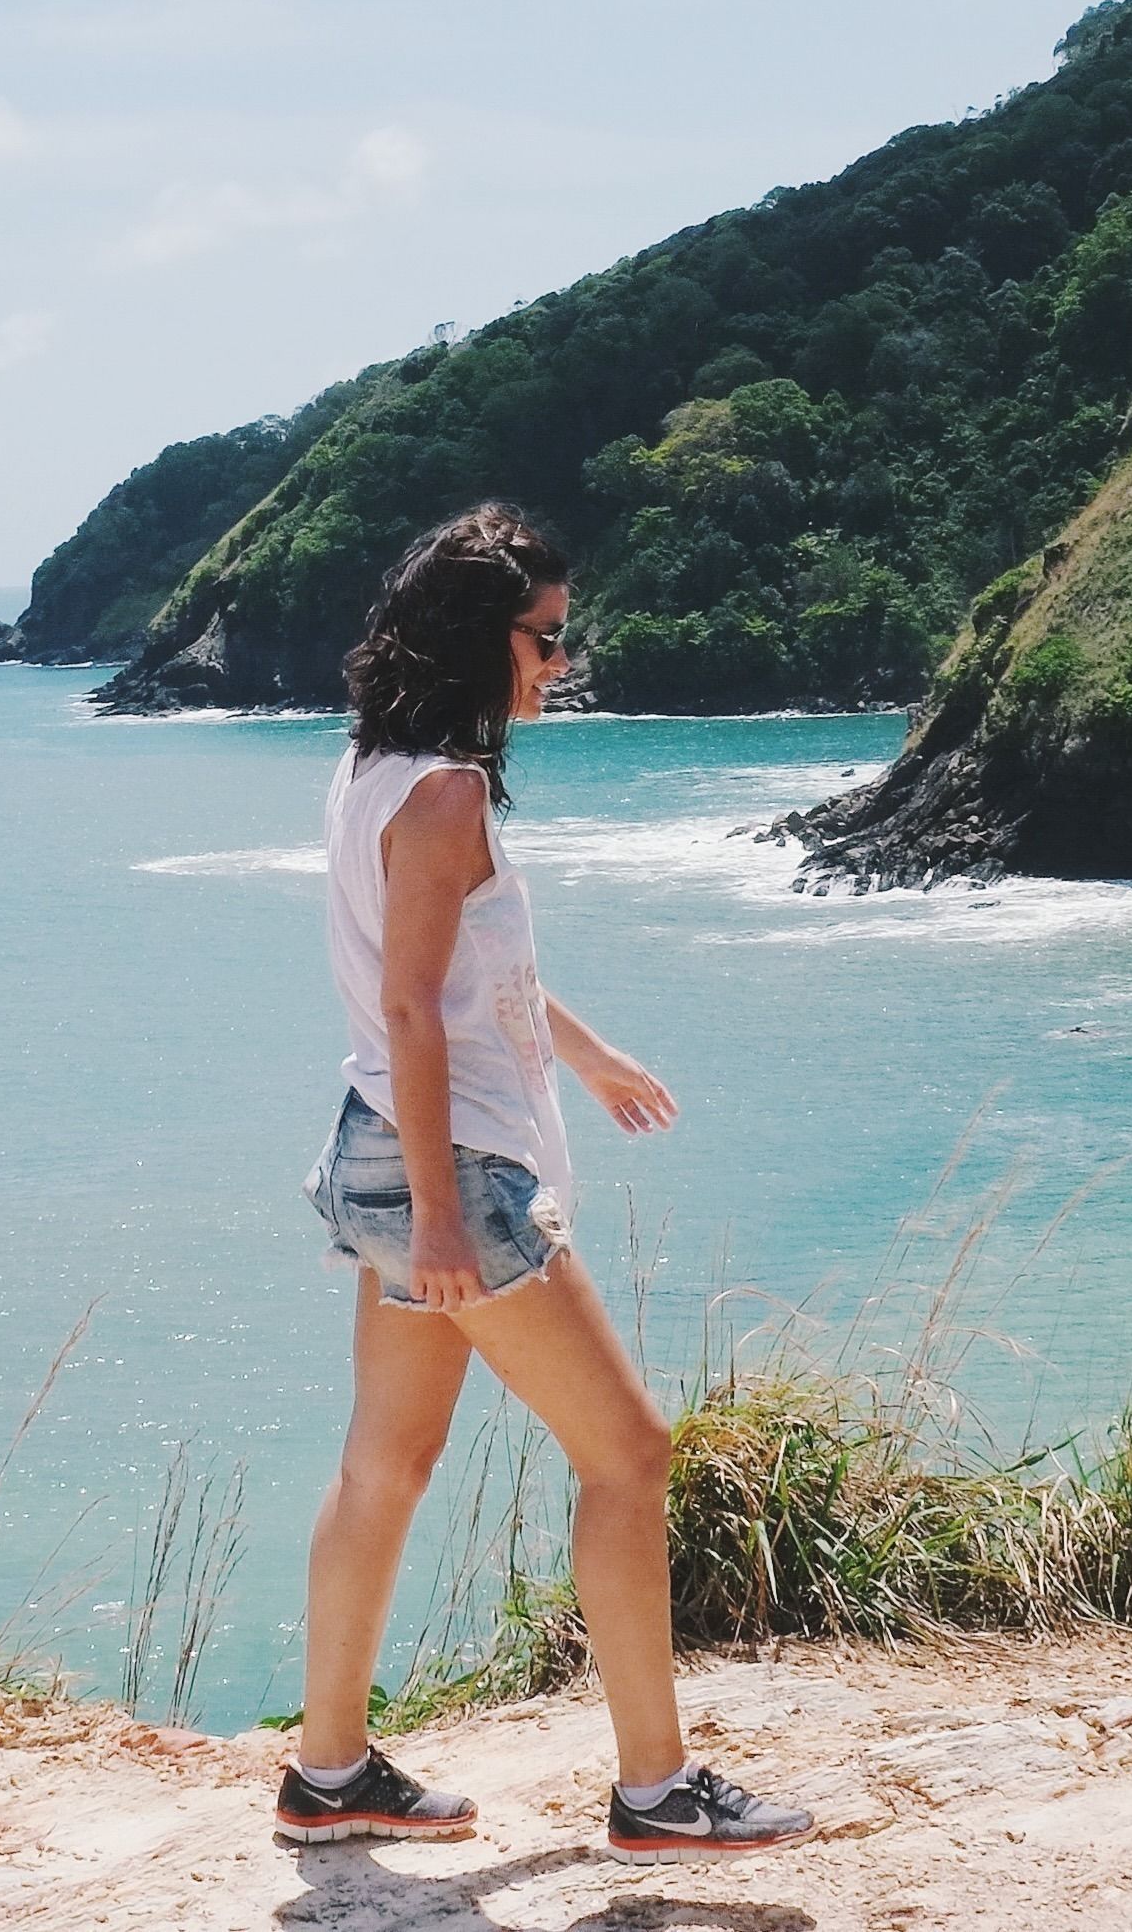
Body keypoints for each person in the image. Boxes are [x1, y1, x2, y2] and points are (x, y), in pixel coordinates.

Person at [273, 503, 812, 1866]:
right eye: (546, 636)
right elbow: (411, 1007)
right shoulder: (446, 790)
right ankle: (654, 1788)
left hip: (377, 1148)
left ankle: (328, 1769)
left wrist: (591, 1054)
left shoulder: (373, 766)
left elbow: (466, 980)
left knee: (384, 1457)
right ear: (482, 635)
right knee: (628, 1452)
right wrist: (450, 1218)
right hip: (444, 1166)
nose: (558, 662)